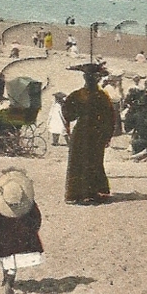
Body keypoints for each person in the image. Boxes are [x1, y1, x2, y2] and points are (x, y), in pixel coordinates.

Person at [0, 168, 43, 294]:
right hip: (21, 238)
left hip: (2, 239)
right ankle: (10, 280)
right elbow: (36, 219)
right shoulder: (29, 205)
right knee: (15, 261)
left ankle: (5, 277)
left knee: (5, 258)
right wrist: (32, 231)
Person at [62, 63, 115, 204]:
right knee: (94, 161)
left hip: (81, 131)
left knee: (77, 162)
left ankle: (75, 194)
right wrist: (107, 135)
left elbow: (67, 114)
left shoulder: (78, 95)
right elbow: (110, 118)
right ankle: (93, 192)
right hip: (97, 133)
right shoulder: (103, 96)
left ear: (85, 78)